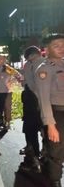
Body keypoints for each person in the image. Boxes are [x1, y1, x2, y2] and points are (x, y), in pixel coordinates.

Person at [35, 33, 64, 187]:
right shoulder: (45, 68)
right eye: (56, 46)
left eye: (63, 45)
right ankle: (55, 180)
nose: (61, 48)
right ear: (47, 49)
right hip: (56, 114)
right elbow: (44, 99)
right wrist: (51, 125)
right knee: (56, 151)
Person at [19, 46, 44, 173]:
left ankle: (34, 160)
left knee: (31, 129)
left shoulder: (38, 65)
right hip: (36, 103)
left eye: (28, 58)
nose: (28, 60)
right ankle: (41, 157)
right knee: (39, 130)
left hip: (35, 103)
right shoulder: (37, 64)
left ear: (32, 55)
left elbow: (36, 87)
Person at [0, 54, 14, 129]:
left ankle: (7, 122)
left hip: (6, 91)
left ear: (5, 60)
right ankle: (0, 120)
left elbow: (16, 75)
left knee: (7, 108)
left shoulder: (7, 68)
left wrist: (10, 83)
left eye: (1, 59)